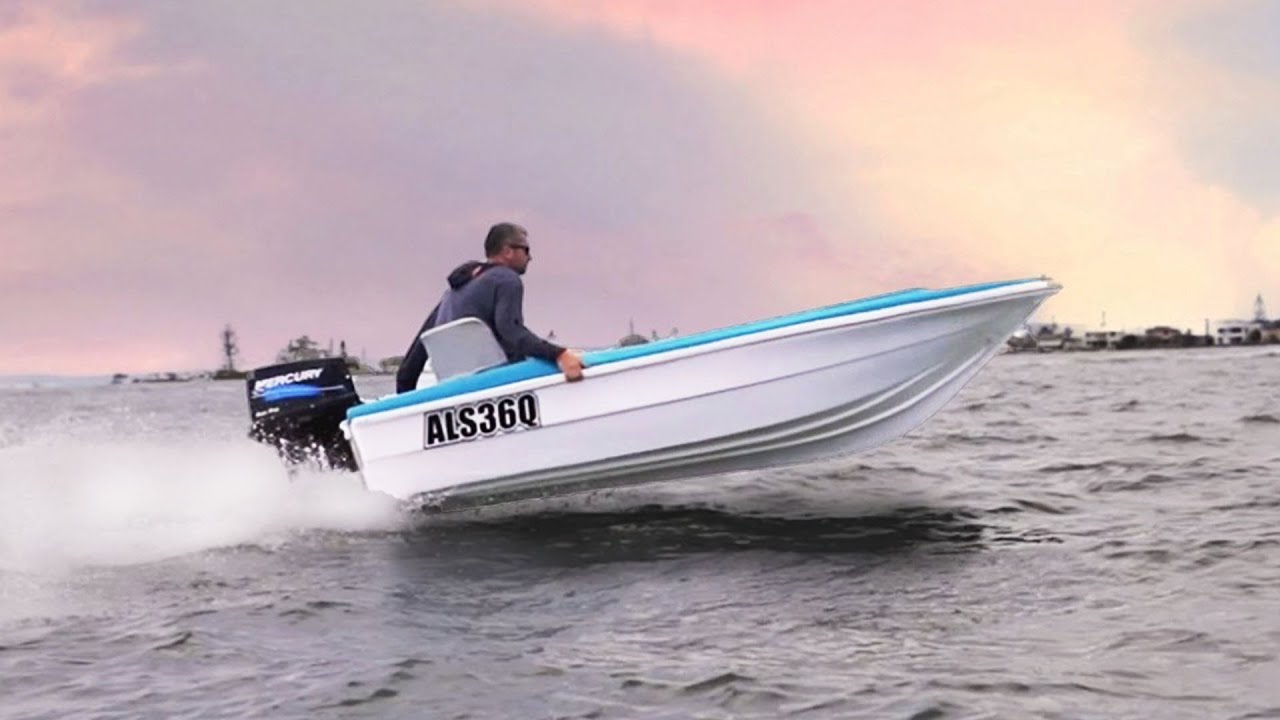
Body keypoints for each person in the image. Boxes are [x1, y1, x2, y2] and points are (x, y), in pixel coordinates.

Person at [394, 222, 586, 393]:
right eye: (526, 250)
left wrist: (405, 412)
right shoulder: (507, 279)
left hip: (461, 395)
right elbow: (512, 332)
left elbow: (408, 369)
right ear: (508, 251)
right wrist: (560, 354)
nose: (530, 257)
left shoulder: (451, 295)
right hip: (503, 389)